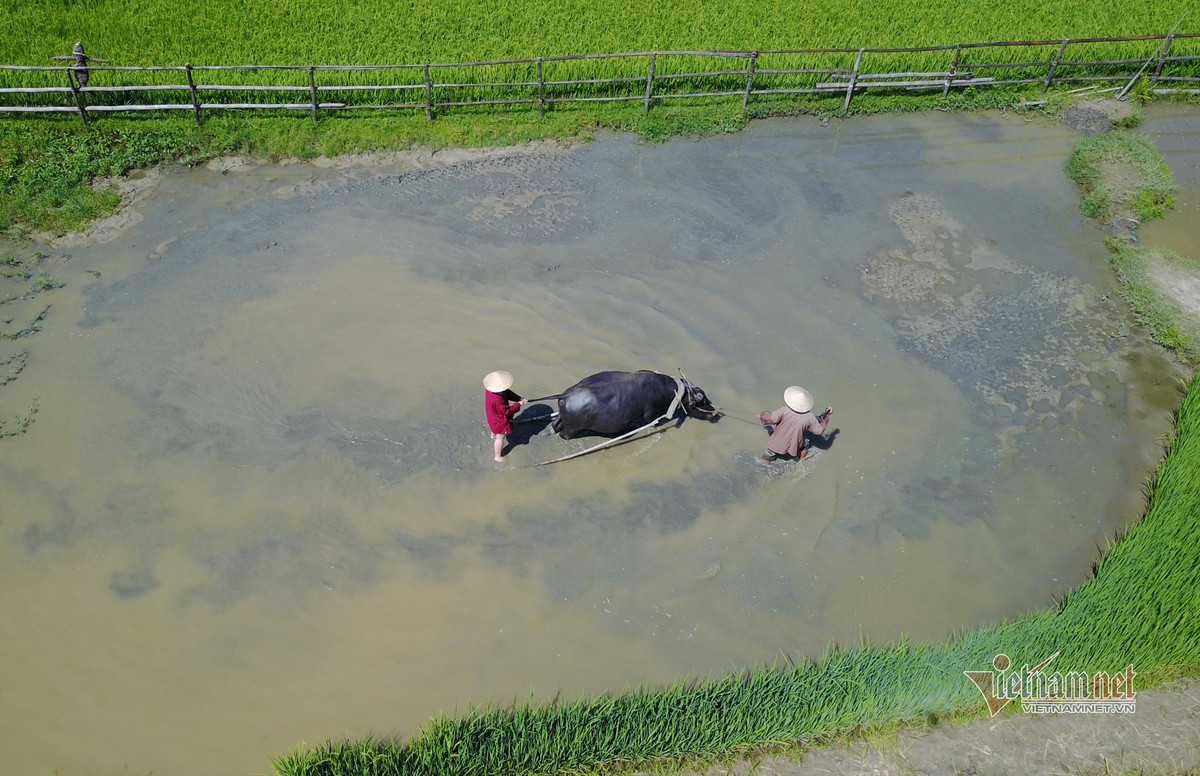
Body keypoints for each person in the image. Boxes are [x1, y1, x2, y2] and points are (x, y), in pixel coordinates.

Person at [757, 385, 833, 463]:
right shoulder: (810, 416)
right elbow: (819, 431)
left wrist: (762, 416)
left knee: (767, 456)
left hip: (776, 444)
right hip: (796, 444)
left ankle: (764, 464)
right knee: (806, 445)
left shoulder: (784, 410)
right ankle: (801, 461)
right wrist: (827, 416)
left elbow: (771, 419)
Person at [483, 370, 528, 462]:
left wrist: (518, 398)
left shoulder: (489, 390)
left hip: (492, 415)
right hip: (499, 420)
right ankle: (497, 456)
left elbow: (507, 393)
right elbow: (507, 412)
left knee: (493, 427)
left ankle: (492, 435)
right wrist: (519, 404)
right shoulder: (498, 399)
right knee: (500, 438)